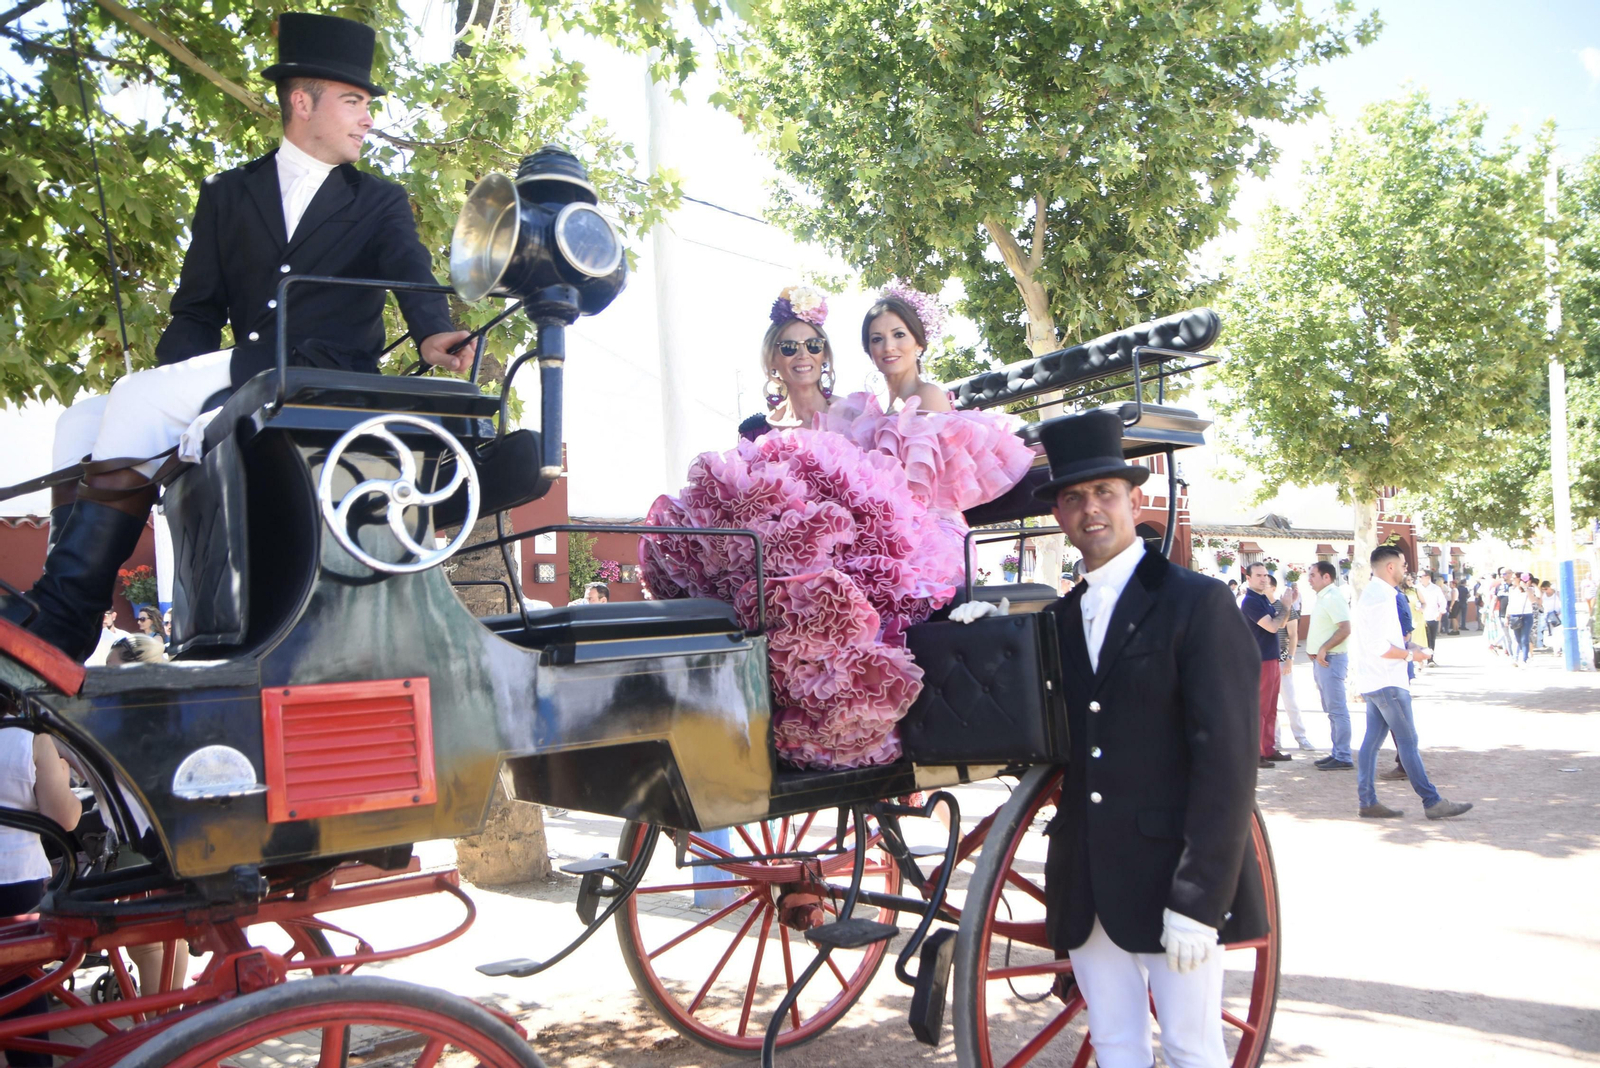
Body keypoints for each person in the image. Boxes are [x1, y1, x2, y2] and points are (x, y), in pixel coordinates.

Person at [1, 12, 477, 662]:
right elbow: (195, 312)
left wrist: (434, 335)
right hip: (241, 370)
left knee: (135, 403)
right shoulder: (228, 195)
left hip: (319, 374)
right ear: (302, 101)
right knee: (85, 418)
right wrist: (178, 389)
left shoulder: (378, 201)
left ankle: (61, 617)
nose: (368, 118)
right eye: (354, 101)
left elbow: (409, 271)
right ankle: (60, 623)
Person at [1027, 409, 1265, 1068]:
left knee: (1192, 1049)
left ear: (1134, 499)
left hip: (1172, 880)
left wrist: (1199, 899)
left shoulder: (1197, 601)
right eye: (1073, 497)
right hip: (1087, 882)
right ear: (1059, 515)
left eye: (1104, 492)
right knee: (1116, 1048)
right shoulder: (1058, 619)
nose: (1089, 509)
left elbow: (1229, 762)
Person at [1352, 545, 1472, 820]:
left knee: (1373, 742)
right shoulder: (1381, 598)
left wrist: (1411, 648)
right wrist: (1411, 654)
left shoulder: (1376, 594)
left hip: (1377, 679)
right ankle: (1432, 801)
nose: (1407, 569)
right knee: (1407, 740)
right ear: (1390, 567)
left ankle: (1368, 801)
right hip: (1387, 680)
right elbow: (1380, 647)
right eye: (1403, 564)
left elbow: (1383, 643)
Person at [0, 728, 82, 1065]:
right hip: (15, 875)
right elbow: (65, 818)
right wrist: (63, 776)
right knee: (21, 985)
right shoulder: (30, 740)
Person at [739, 285, 835, 441]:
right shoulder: (757, 434)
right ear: (772, 361)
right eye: (789, 347)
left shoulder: (856, 416)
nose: (803, 354)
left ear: (824, 355)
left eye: (813, 345)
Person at [861, 285, 952, 414]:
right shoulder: (879, 411)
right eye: (877, 339)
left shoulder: (927, 396)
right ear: (869, 351)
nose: (888, 347)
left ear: (919, 343)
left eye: (899, 335)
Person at [1240, 563, 1295, 768]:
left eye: (1265, 575)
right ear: (1249, 578)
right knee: (1260, 708)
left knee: (1271, 708)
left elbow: (1280, 623)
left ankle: (1268, 749)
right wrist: (1286, 606)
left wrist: (1286, 607)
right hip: (1259, 660)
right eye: (1259, 575)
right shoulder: (1250, 601)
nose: (1264, 579)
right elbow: (1272, 626)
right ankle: (1256, 753)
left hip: (1271, 658)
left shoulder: (1262, 599)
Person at [1306, 562, 1354, 770]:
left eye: (1313, 575)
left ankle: (1343, 755)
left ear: (1327, 577)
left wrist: (1324, 648)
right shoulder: (1324, 597)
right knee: (1331, 709)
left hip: (1331, 659)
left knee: (1337, 709)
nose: (1310, 579)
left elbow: (1345, 628)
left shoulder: (1333, 597)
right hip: (1324, 660)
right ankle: (1337, 752)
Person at [1266, 575, 1313, 750]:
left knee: (1290, 701)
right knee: (1270, 704)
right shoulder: (1260, 607)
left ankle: (1301, 737)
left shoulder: (1285, 607)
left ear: (1272, 587)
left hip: (1282, 660)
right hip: (1265, 662)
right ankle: (1275, 740)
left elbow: (1293, 635)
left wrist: (1290, 660)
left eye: (1266, 583)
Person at [1505, 573, 1535, 666]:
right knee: (1518, 638)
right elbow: (1510, 603)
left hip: (1526, 615)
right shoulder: (1511, 589)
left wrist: (1525, 587)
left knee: (1524, 637)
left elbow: (1532, 600)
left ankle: (1525, 658)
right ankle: (1520, 656)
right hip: (1514, 615)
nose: (1512, 579)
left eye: (1514, 578)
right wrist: (1507, 616)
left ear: (1519, 579)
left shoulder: (1529, 589)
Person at [1418, 571, 1447, 660]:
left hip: (1432, 616)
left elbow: (1442, 601)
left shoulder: (1435, 588)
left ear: (1427, 577)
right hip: (1420, 616)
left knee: (1431, 638)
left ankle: (1430, 658)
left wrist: (1440, 612)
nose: (1419, 578)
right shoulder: (1417, 588)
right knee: (1422, 638)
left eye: (1421, 576)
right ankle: (1421, 658)